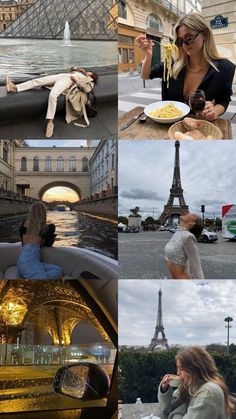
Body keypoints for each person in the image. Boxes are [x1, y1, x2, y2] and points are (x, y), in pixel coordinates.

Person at [137, 13, 235, 121]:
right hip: (168, 125)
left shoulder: (225, 68)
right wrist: (148, 54)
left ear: (205, 34)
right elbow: (146, 75)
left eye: (189, 38)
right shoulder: (172, 63)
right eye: (179, 41)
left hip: (199, 125)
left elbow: (223, 100)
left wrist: (214, 111)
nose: (184, 44)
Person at [6, 68, 98, 138]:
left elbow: (87, 89)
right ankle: (14, 88)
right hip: (62, 75)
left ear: (92, 76)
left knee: (53, 95)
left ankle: (50, 122)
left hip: (68, 81)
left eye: (90, 72)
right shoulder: (81, 72)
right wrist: (78, 70)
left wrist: (76, 80)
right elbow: (70, 69)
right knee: (38, 81)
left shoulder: (89, 81)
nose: (88, 72)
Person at [158, 346, 233, 419]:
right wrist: (165, 389)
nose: (177, 373)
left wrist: (179, 410)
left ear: (194, 368)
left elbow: (173, 410)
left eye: (180, 368)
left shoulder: (209, 392)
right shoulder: (189, 386)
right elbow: (167, 410)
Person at [17, 201, 62, 280]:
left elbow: (23, 242)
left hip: (22, 260)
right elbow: (48, 244)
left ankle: (28, 276)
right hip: (30, 262)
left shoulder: (23, 225)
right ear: (43, 213)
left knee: (58, 270)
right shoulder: (46, 228)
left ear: (31, 212)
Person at [164, 213, 204, 279]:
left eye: (193, 215)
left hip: (183, 282)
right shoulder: (178, 232)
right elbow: (184, 258)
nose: (187, 213)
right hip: (174, 281)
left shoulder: (188, 237)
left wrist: (202, 284)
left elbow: (196, 266)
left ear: (191, 223)